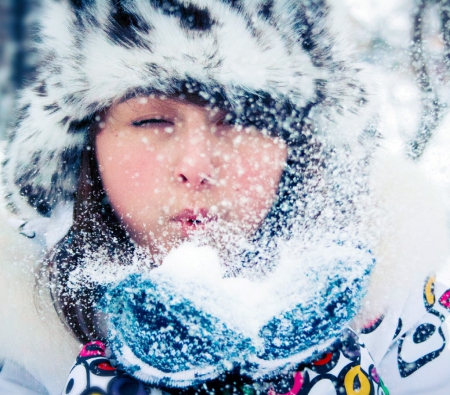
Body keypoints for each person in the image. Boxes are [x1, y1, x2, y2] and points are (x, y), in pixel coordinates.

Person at [1, 1, 450, 394]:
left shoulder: (403, 307)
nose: (196, 167)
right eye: (152, 121)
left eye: (241, 120)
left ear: (299, 146)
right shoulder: (14, 337)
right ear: (85, 150)